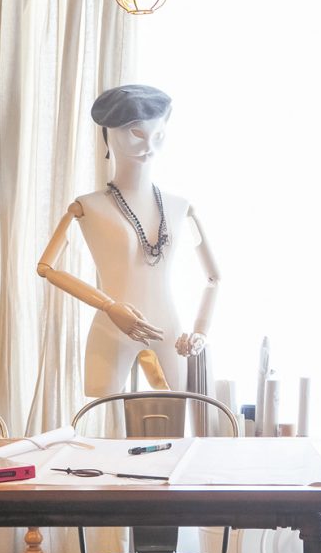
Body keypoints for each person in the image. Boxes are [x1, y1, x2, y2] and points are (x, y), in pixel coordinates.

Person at [37, 85, 220, 396]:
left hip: (169, 332)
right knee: (101, 428)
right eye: (137, 133)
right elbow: (46, 267)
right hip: (112, 328)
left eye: (158, 135)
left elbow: (214, 278)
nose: (149, 145)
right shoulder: (87, 206)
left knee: (174, 430)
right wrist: (109, 306)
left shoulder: (180, 207)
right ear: (109, 133)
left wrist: (200, 332)